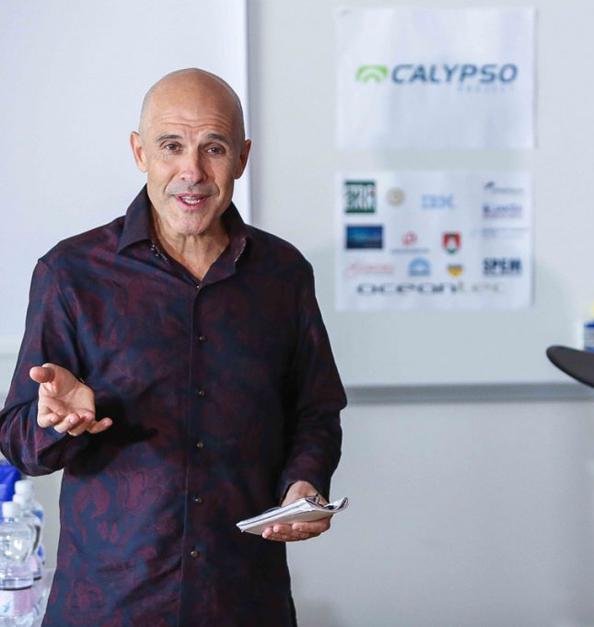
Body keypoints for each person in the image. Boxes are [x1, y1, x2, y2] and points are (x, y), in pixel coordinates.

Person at [0, 68, 346, 625]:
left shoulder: (283, 275)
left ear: (242, 157)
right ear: (140, 153)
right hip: (109, 604)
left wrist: (304, 481)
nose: (193, 172)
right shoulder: (72, 273)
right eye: (171, 146)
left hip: (243, 600)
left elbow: (316, 410)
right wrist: (55, 422)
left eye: (214, 148)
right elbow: (19, 440)